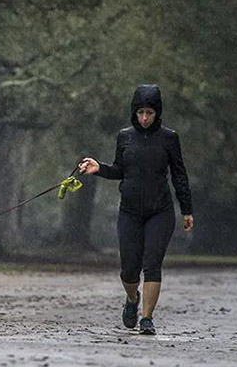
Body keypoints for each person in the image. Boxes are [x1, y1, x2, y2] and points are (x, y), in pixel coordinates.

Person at [78, 84, 193, 335]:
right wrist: (99, 168)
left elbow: (179, 175)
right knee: (129, 269)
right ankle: (132, 299)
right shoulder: (124, 136)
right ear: (134, 111)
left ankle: (147, 319)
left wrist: (187, 209)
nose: (144, 118)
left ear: (157, 113)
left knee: (152, 265)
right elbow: (120, 170)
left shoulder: (169, 138)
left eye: (149, 113)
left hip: (159, 211)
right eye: (140, 112)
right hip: (129, 212)